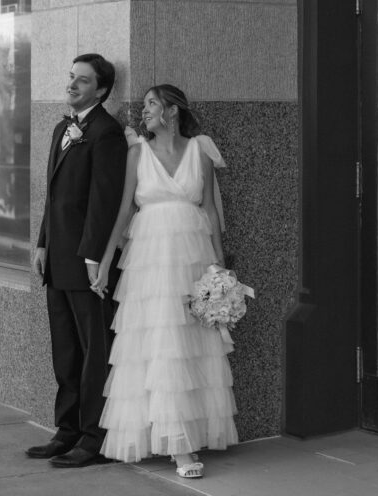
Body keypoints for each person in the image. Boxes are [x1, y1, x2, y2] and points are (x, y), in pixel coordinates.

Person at [91, 84, 238, 479]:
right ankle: (179, 449)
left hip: (193, 256)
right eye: (145, 106)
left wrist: (220, 272)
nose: (144, 112)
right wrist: (106, 262)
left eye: (152, 105)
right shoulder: (137, 153)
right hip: (151, 261)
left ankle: (187, 434)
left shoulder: (200, 152)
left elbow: (209, 213)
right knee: (159, 344)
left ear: (172, 111)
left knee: (190, 344)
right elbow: (124, 210)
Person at [26, 54, 128, 468]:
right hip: (57, 261)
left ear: (101, 90)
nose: (72, 85)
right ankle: (66, 430)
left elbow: (103, 204)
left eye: (82, 81)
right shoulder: (61, 128)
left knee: (93, 352)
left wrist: (92, 258)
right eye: (71, 77)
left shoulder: (107, 134)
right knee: (65, 351)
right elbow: (55, 198)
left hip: (86, 264)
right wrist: (42, 243)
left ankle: (94, 438)